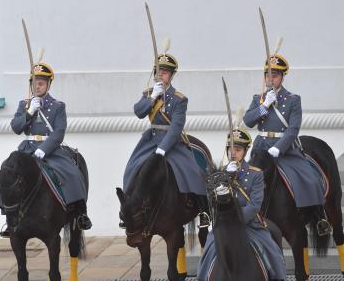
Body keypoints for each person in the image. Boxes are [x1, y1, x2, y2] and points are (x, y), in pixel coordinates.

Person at [0, 62, 91, 238]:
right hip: (27, 149)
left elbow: (59, 132)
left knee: (72, 173)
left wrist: (44, 149)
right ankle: (8, 218)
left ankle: (79, 213)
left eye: (41, 83)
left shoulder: (57, 106)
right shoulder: (25, 104)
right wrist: (29, 112)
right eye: (34, 83)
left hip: (50, 150)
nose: (37, 86)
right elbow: (16, 127)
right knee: (7, 175)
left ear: (48, 84)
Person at [243, 53, 331, 236]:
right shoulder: (258, 99)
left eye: (274, 76)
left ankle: (318, 215)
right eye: (268, 75)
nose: (270, 79)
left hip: (285, 149)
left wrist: (279, 147)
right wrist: (264, 106)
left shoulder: (293, 99)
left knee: (309, 179)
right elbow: (248, 121)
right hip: (261, 148)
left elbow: (293, 129)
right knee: (243, 178)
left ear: (282, 77)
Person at [122, 52, 209, 227]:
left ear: (171, 75)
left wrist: (163, 149)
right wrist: (153, 97)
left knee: (191, 169)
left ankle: (203, 209)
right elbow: (139, 112)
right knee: (132, 167)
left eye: (165, 72)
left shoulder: (179, 99)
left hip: (171, 141)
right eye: (159, 72)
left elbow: (176, 127)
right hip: (150, 139)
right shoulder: (149, 93)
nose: (161, 75)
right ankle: (128, 208)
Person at [197, 128, 286, 281]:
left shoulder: (256, 174)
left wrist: (236, 219)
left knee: (272, 253)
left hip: (249, 224)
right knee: (208, 253)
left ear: (245, 152)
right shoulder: (219, 174)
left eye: (238, 150)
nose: (233, 153)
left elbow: (255, 205)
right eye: (231, 149)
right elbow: (212, 201)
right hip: (223, 224)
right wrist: (227, 177)